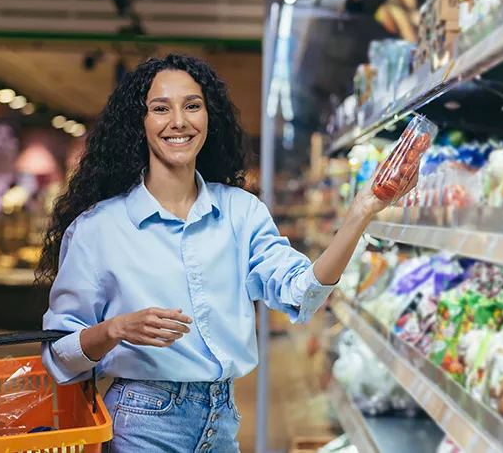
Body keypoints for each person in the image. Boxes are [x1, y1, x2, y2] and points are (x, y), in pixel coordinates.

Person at [38, 54, 416, 452]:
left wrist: (361, 213)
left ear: (208, 117)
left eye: (192, 106)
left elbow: (302, 295)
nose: (179, 121)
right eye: (160, 108)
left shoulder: (241, 212)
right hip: (140, 423)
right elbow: (59, 355)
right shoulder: (98, 229)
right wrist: (116, 329)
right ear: (140, 122)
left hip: (221, 421)